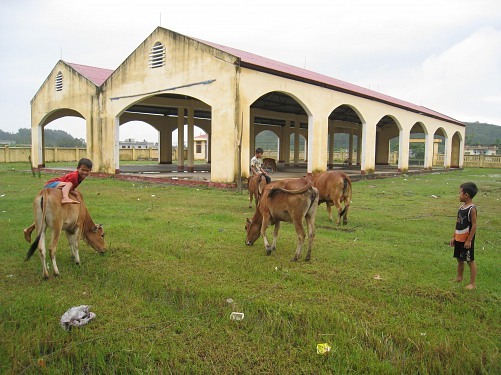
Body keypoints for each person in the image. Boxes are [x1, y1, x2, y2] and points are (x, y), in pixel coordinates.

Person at [23, 158, 93, 242]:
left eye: (87, 170)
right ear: (77, 169)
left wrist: (75, 193)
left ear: (90, 171)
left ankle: (29, 229)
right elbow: (69, 185)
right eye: (83, 170)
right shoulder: (75, 176)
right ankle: (65, 198)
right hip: (52, 185)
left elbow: (69, 188)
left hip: (56, 186)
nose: (85, 172)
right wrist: (70, 193)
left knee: (46, 214)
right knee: (69, 184)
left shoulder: (80, 177)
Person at [449, 182, 478, 290]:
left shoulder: (472, 209)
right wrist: (454, 237)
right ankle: (459, 277)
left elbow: (474, 225)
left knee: (470, 261)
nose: (458, 195)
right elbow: (458, 223)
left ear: (466, 195)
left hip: (466, 240)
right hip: (458, 238)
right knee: (459, 259)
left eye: (459, 192)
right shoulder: (461, 208)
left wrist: (469, 240)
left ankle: (472, 284)